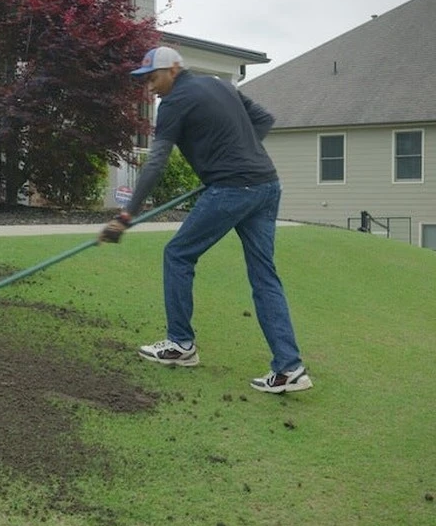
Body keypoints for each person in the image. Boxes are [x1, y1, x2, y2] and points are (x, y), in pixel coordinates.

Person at [98, 46, 311, 394]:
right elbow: (264, 120)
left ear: (174, 70)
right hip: (267, 185)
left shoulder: (173, 104)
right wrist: (237, 153)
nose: (149, 88)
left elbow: (156, 162)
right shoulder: (221, 85)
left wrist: (126, 215)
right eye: (145, 81)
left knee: (178, 254)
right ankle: (289, 367)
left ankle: (180, 344)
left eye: (153, 78)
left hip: (234, 188)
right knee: (264, 275)